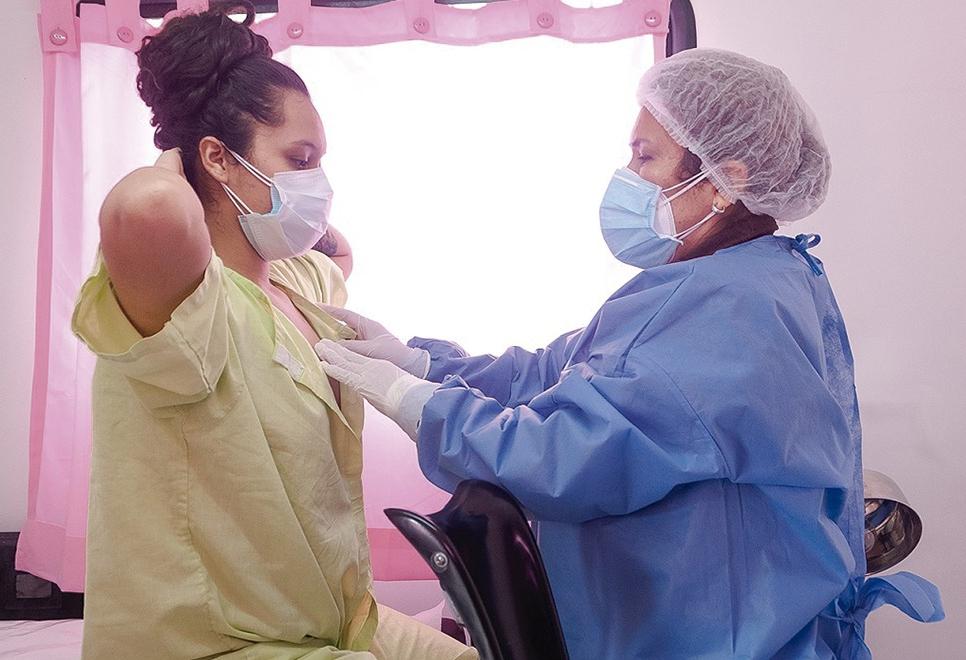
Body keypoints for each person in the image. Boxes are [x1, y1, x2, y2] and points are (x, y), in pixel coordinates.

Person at [315, 48, 944, 658]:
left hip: (712, 640)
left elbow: (564, 458)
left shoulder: (728, 310)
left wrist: (419, 404)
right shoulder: (728, 278)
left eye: (646, 157)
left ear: (726, 179)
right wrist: (423, 364)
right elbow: (559, 372)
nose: (629, 177)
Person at [71, 3, 477, 659]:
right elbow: (146, 207)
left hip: (329, 622)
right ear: (218, 158)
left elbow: (338, 253)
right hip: (215, 643)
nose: (318, 183)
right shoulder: (186, 305)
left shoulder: (293, 285)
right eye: (299, 158)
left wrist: (286, 212)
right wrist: (177, 157)